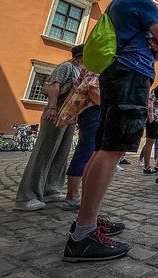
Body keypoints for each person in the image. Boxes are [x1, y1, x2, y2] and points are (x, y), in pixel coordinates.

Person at [64, 0, 158, 262]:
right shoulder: (140, 1)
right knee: (112, 149)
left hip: (114, 72)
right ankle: (83, 235)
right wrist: (156, 50)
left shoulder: (118, 3)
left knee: (102, 147)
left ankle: (88, 217)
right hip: (132, 73)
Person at [14, 44, 85, 212]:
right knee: (44, 153)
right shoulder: (67, 67)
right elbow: (54, 86)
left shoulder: (81, 71)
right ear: (81, 55)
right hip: (56, 113)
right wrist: (52, 108)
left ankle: (51, 189)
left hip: (69, 117)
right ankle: (27, 197)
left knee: (61, 153)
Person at [58, 67, 101, 210]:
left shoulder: (91, 64)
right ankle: (72, 196)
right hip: (93, 111)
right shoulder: (99, 64)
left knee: (88, 152)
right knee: (85, 152)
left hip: (90, 111)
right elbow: (93, 90)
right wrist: (109, 108)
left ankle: (76, 194)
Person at [141, 90, 158, 175]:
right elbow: (150, 103)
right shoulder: (157, 91)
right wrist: (151, 118)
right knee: (150, 143)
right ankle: (147, 167)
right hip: (154, 119)